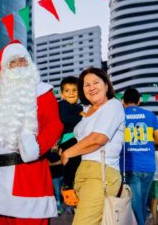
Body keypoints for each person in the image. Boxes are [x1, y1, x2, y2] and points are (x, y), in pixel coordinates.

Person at [0, 41, 63, 225]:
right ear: (4, 68)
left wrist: (36, 147)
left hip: (28, 177)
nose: (18, 65)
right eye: (13, 62)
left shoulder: (43, 92)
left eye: (22, 61)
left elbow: (54, 126)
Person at [60, 67, 125, 225]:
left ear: (106, 85)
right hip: (82, 171)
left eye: (96, 82)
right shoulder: (86, 111)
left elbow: (98, 138)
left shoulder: (113, 105)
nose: (91, 87)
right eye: (86, 85)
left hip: (101, 172)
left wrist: (67, 153)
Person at [121, 88, 158, 225]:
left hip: (129, 165)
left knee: (134, 205)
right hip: (148, 166)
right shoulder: (150, 115)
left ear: (122, 101)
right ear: (139, 100)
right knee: (142, 203)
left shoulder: (120, 115)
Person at [57, 76, 83, 207]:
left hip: (76, 138)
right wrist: (83, 117)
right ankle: (66, 185)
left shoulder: (80, 107)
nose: (71, 93)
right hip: (67, 139)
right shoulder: (62, 105)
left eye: (74, 90)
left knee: (77, 162)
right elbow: (66, 119)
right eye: (67, 91)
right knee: (73, 159)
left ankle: (71, 184)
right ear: (62, 94)